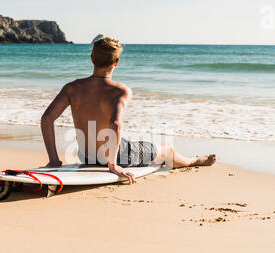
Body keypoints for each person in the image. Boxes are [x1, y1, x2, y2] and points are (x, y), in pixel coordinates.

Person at [41, 37, 216, 184]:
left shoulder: (72, 88)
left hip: (85, 156)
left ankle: (185, 159)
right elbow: (115, 123)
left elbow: (47, 118)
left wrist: (54, 161)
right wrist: (112, 165)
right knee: (168, 149)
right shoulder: (120, 90)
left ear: (91, 59)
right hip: (117, 157)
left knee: (135, 144)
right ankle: (195, 160)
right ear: (116, 62)